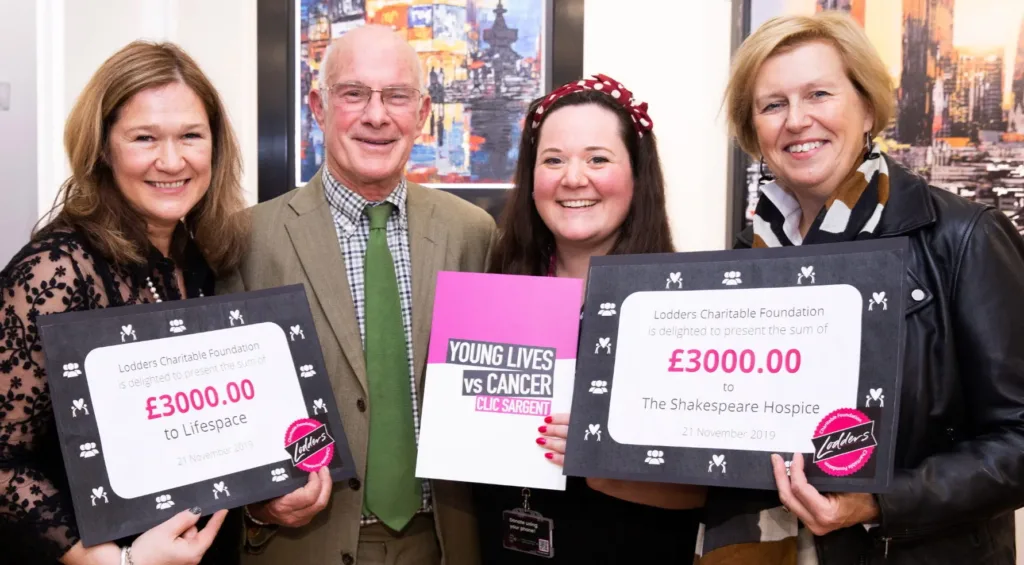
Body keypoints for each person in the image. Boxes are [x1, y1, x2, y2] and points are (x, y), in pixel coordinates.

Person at [701, 11, 1024, 564]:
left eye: (819, 94)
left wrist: (877, 501)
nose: (797, 120)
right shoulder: (745, 261)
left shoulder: (963, 238)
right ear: (752, 127)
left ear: (867, 106)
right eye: (773, 104)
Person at [218, 25, 495, 565]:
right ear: (319, 107)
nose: (376, 115)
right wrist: (259, 508)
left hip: (444, 540)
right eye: (354, 94)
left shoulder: (474, 234)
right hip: (304, 544)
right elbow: (227, 419)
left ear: (422, 111)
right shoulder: (246, 241)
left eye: (397, 96)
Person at [0, 41, 248, 564]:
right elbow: (3, 459)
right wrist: (109, 562)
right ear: (102, 148)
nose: (172, 160)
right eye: (144, 138)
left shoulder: (202, 258)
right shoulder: (54, 273)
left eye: (191, 136)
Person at [475, 74, 706, 564]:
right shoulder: (496, 290)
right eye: (553, 160)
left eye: (598, 158)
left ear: (637, 176)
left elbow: (706, 491)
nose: (573, 178)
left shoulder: (684, 306)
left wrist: (601, 451)